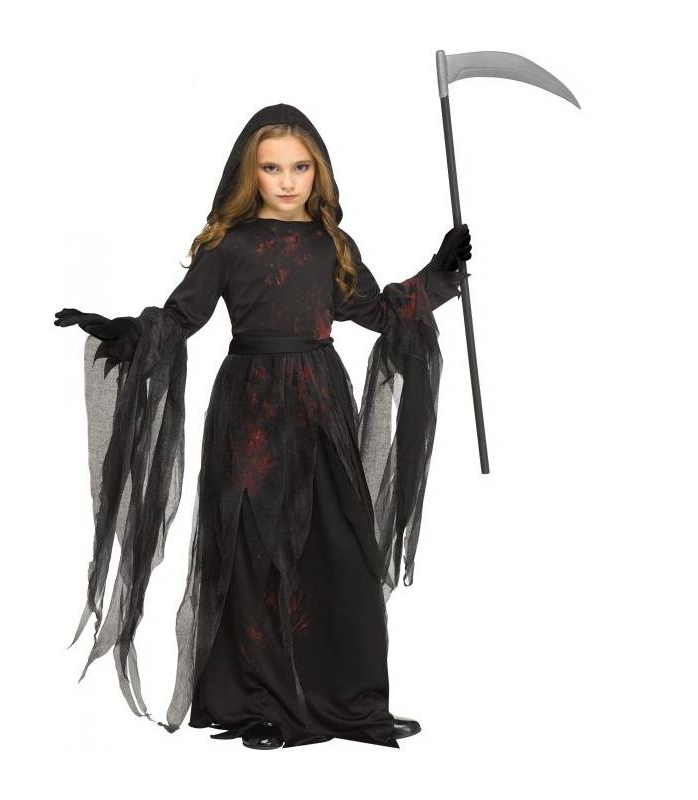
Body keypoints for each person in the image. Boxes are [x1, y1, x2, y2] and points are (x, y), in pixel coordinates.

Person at [54, 103, 472, 750]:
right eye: (272, 168)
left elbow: (382, 315)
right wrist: (127, 333)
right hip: (249, 408)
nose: (286, 181)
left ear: (318, 172)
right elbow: (181, 318)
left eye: (300, 167)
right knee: (255, 552)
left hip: (320, 403)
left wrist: (439, 273)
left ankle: (351, 700)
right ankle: (260, 706)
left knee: (343, 550)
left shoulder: (333, 245)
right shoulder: (229, 245)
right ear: (249, 173)